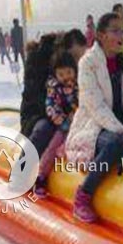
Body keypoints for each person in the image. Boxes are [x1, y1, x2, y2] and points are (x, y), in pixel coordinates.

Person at [65, 13, 123, 222]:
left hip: (122, 123)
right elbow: (94, 105)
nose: (120, 35)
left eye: (122, 30)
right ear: (101, 35)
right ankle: (83, 195)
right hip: (94, 126)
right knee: (115, 144)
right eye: (115, 30)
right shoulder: (88, 63)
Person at [21, 29, 87, 158]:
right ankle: (20, 171)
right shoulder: (38, 59)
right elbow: (35, 98)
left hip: (67, 117)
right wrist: (61, 117)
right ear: (63, 50)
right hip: (38, 114)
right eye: (75, 57)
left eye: (81, 58)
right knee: (44, 129)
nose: (77, 62)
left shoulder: (73, 69)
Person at [33, 50, 79, 197]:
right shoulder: (54, 88)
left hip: (81, 124)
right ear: (56, 74)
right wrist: (62, 120)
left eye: (69, 72)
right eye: (61, 74)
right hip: (64, 125)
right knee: (53, 146)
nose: (66, 77)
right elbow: (51, 106)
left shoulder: (80, 84)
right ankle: (41, 176)